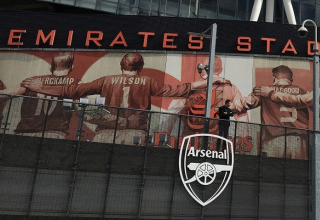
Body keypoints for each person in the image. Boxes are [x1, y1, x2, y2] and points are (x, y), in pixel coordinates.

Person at [22, 52, 222, 144]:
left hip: (105, 133)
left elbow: (73, 91)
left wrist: (43, 86)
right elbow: (178, 89)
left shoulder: (106, 80)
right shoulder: (148, 82)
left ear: (121, 65)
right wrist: (208, 81)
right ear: (141, 67)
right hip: (136, 134)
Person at [246, 65, 310, 158]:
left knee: (272, 171)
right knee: (298, 171)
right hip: (299, 141)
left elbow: (245, 104)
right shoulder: (303, 92)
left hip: (272, 140)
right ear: (291, 80)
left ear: (274, 78)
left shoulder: (263, 90)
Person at [180, 56, 250, 138]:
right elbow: (242, 117)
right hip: (217, 139)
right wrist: (242, 142)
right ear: (221, 70)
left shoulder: (191, 87)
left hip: (190, 138)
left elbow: (174, 110)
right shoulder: (232, 88)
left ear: (203, 69)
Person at [11, 52, 77, 139]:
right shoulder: (76, 84)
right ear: (72, 67)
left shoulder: (32, 81)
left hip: (24, 131)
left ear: (50, 67)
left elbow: (9, 93)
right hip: (54, 132)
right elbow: (82, 109)